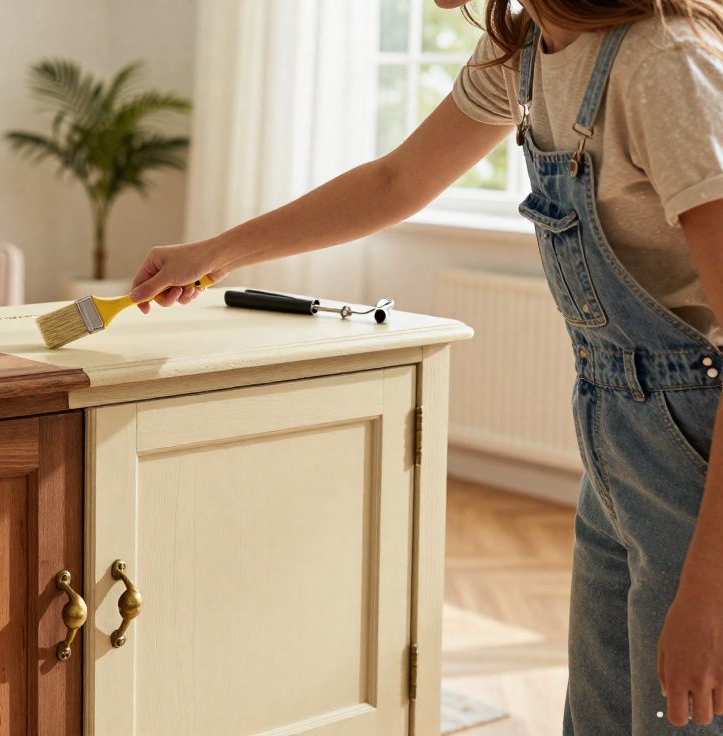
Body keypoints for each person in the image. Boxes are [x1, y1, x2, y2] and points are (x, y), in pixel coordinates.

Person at [128, 1, 723, 732]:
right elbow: (395, 182)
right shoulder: (527, 53)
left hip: (700, 457)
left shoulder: (664, 65)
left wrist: (709, 591)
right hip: (617, 439)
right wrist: (213, 254)